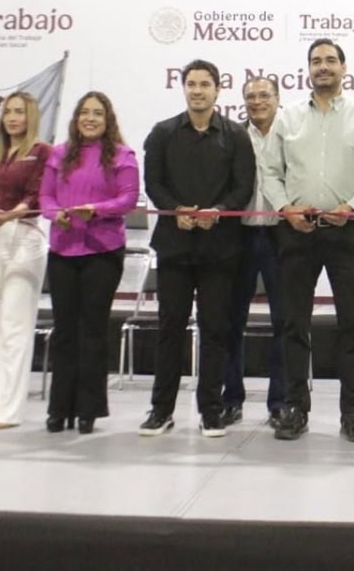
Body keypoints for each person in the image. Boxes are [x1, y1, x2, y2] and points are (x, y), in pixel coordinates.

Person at [260, 38, 354, 442]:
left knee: (351, 325)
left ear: (343, 68)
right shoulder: (287, 118)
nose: (323, 66)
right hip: (296, 232)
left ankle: (352, 414)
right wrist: (285, 209)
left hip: (346, 232)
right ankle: (295, 409)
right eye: (316, 61)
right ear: (308, 69)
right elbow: (270, 172)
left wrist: (353, 206)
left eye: (330, 60)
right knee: (293, 324)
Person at [138, 60, 255, 438]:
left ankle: (211, 410)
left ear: (218, 90)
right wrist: (176, 211)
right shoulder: (163, 133)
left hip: (220, 249)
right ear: (184, 88)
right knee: (169, 328)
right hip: (174, 246)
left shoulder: (236, 135)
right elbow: (153, 183)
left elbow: (243, 186)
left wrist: (218, 212)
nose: (198, 90)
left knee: (215, 329)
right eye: (191, 84)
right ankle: (161, 410)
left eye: (205, 84)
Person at [40, 91, 138, 435]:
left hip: (102, 252)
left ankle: (88, 409)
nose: (90, 118)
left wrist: (96, 210)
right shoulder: (59, 154)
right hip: (63, 250)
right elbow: (45, 196)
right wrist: (55, 214)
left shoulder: (122, 155)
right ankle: (59, 408)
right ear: (76, 118)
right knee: (65, 331)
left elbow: (128, 199)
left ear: (107, 119)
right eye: (85, 112)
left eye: (97, 113)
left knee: (92, 331)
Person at [0, 92, 50, 429]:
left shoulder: (42, 151)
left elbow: (38, 194)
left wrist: (15, 213)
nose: (13, 118)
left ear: (31, 116)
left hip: (24, 237)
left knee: (15, 325)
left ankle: (9, 410)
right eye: (8, 112)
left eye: (20, 112)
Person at [220, 76, 287, 429]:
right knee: (232, 321)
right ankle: (231, 399)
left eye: (264, 95)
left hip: (281, 236)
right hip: (239, 236)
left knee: (284, 322)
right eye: (250, 97)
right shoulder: (232, 136)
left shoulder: (292, 134)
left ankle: (280, 403)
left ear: (277, 99)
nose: (257, 102)